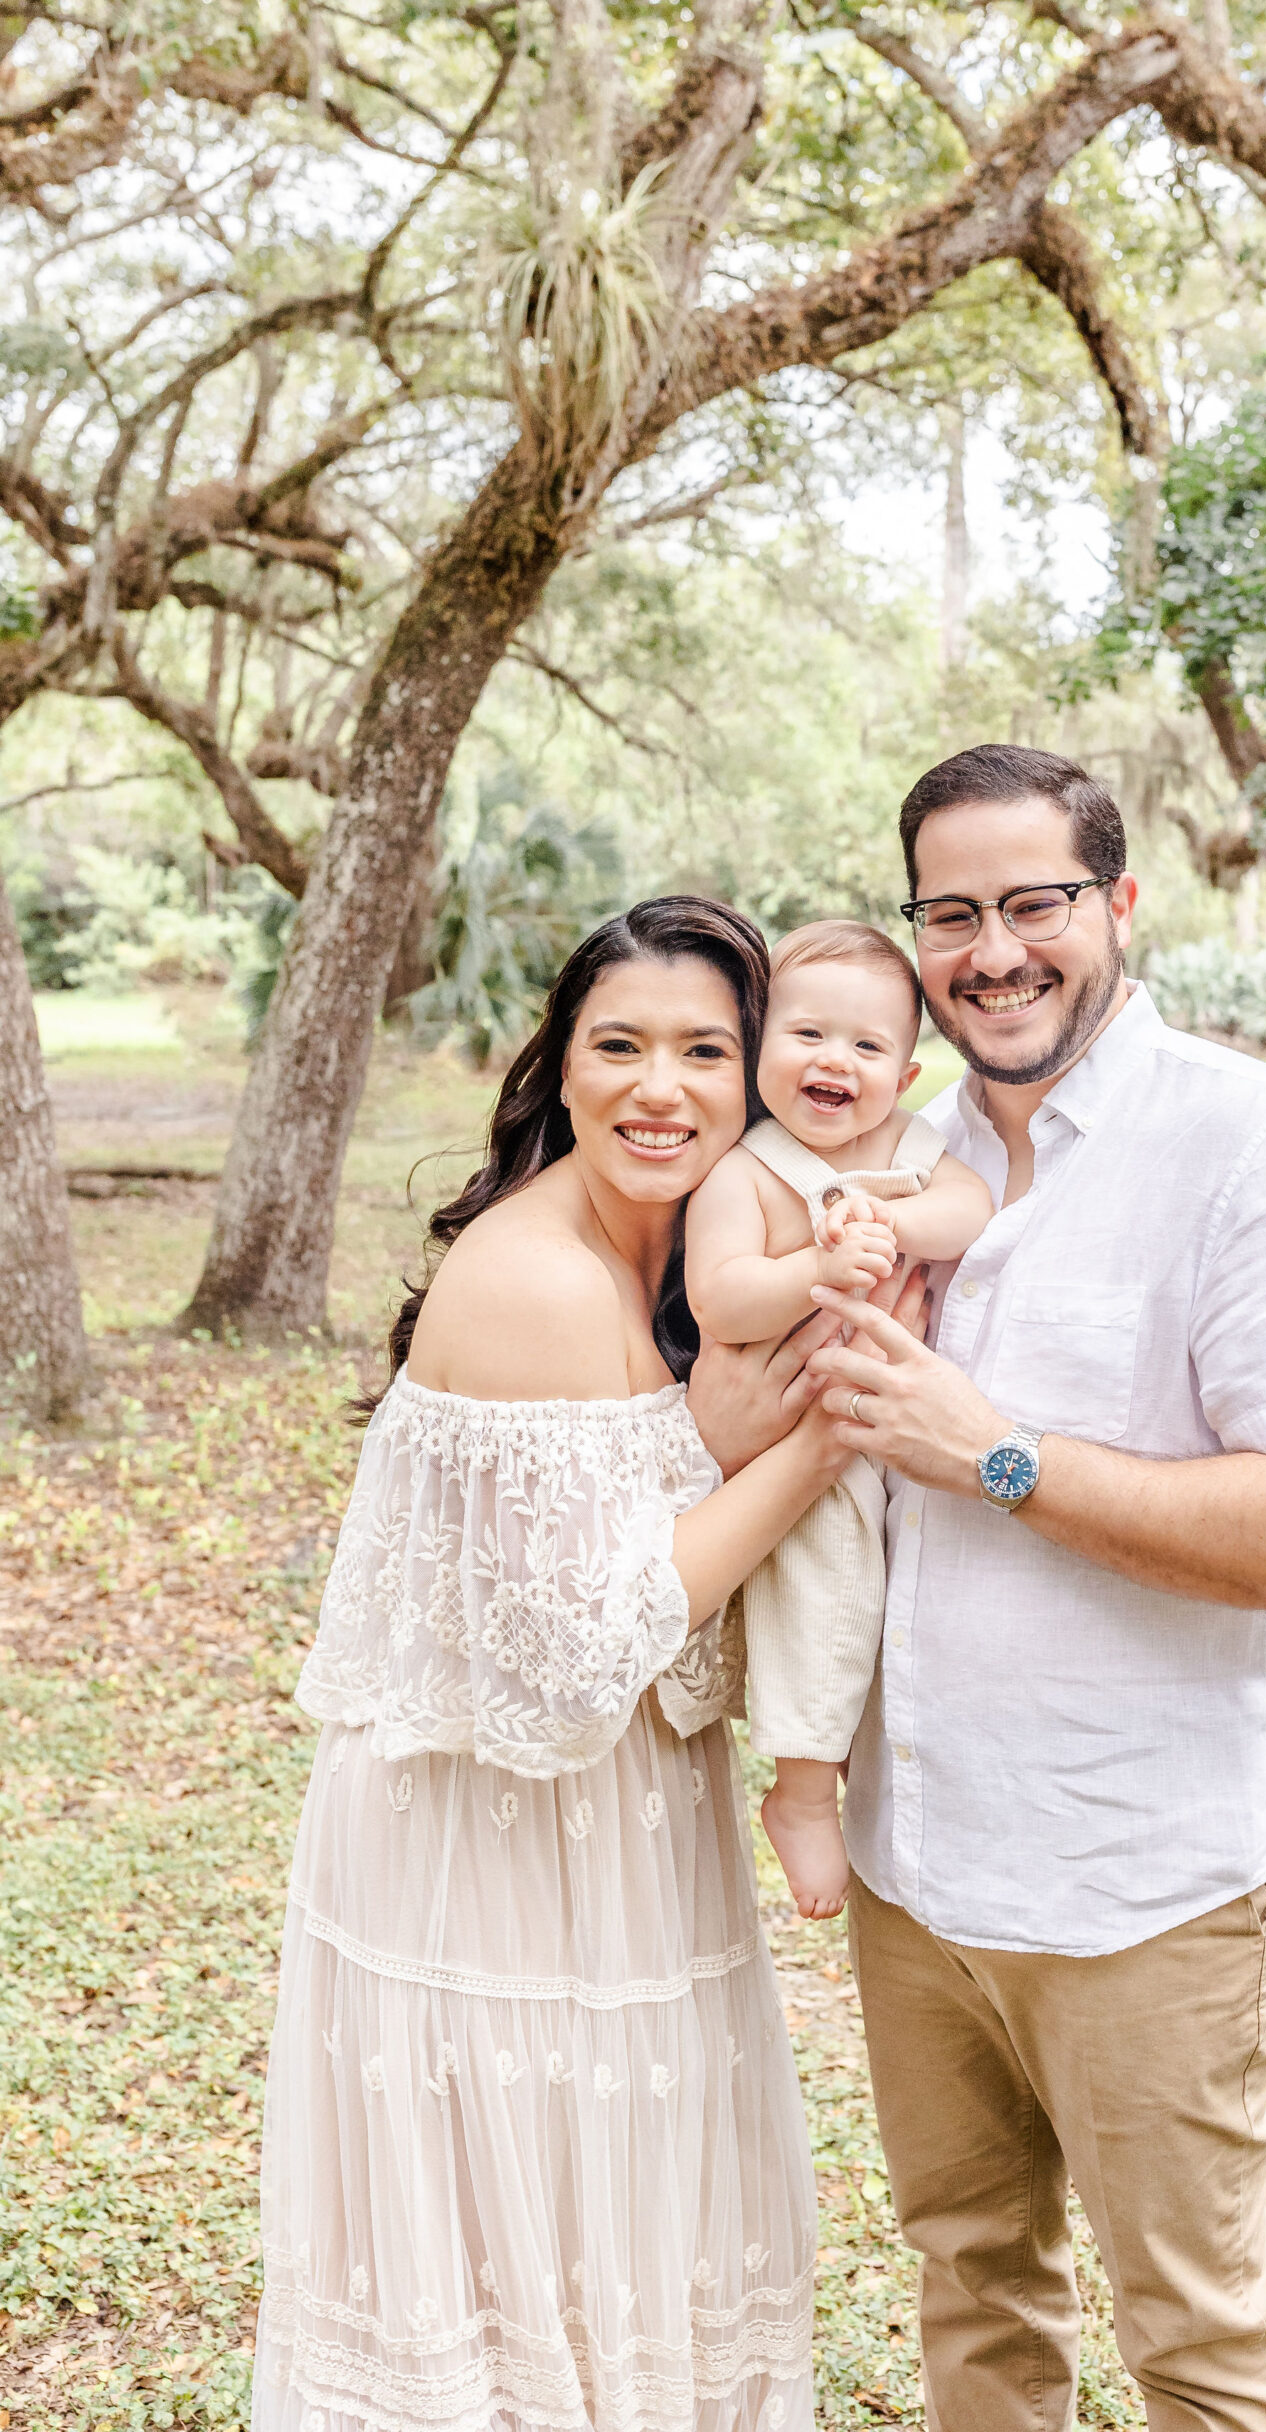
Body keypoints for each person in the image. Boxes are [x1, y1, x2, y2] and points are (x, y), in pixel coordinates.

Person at [803, 746, 1266, 2432]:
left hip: (1145, 1877)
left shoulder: (1250, 1149)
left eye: (1035, 905)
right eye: (954, 915)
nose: (994, 951)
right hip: (914, 1866)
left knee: (1205, 2348)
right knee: (974, 2292)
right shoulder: (898, 1156)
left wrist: (997, 1451)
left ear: (1118, 908)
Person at [251, 898, 852, 2432]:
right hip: (485, 1850)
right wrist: (824, 1438)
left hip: (625, 1836)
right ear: (560, 1068)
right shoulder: (529, 1280)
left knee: (628, 2263)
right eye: (621, 1046)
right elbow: (582, 1656)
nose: (662, 1087)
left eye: (704, 1049)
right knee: (521, 2279)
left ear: (758, 1074)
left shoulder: (692, 1267)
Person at [685, 921, 992, 1919]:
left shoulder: (909, 1150)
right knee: (825, 1595)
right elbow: (722, 1299)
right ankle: (804, 1791)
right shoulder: (747, 1170)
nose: (834, 1061)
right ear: (761, 1041)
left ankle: (879, 1774)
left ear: (905, 1073)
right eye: (808, 1034)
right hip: (801, 1438)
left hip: (910, 1430)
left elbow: (973, 1206)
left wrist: (893, 1223)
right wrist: (813, 1271)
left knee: (910, 1608)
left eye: (866, 1048)